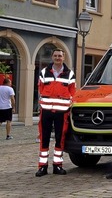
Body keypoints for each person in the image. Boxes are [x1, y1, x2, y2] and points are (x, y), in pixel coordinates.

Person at [36, 48, 76, 177]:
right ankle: (42, 167)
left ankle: (57, 165)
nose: (57, 58)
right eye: (55, 55)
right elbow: (40, 88)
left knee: (60, 137)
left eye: (60, 56)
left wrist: (68, 103)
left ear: (63, 58)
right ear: (52, 57)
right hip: (46, 110)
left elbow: (73, 92)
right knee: (44, 137)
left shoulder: (69, 74)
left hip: (62, 111)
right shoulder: (44, 72)